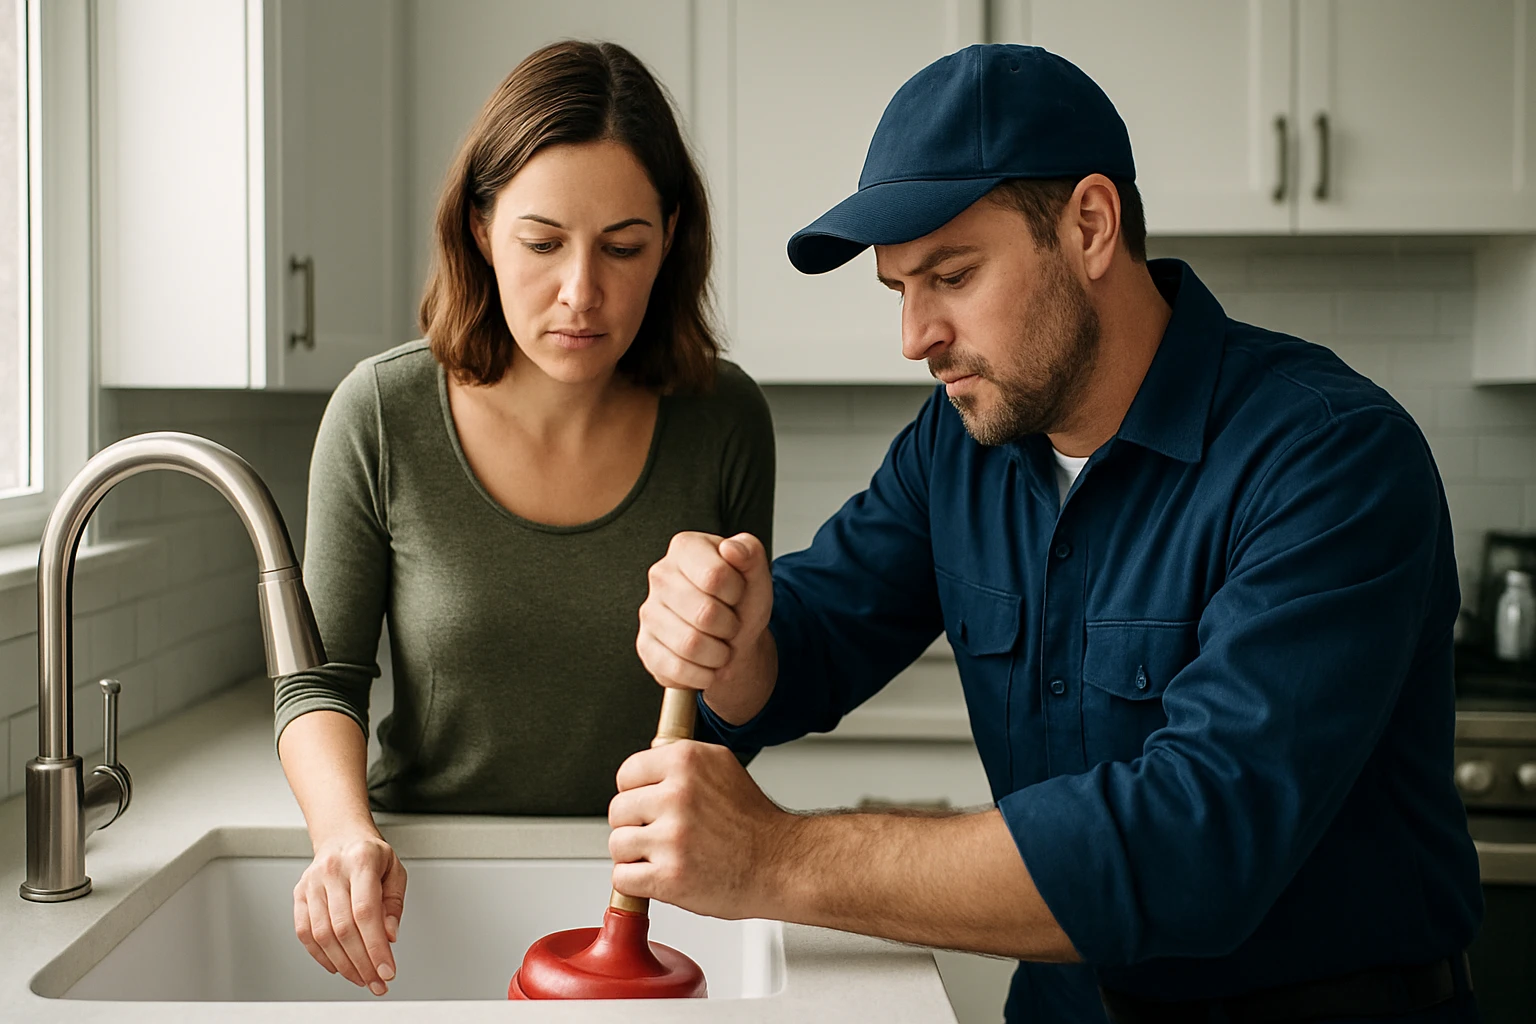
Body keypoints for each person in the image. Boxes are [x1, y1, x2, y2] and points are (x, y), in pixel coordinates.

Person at [617, 44, 1482, 1024]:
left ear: (1091, 226)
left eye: (951, 274)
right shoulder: (959, 445)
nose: (915, 336)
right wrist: (727, 635)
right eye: (899, 289)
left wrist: (774, 857)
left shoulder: (1331, 459)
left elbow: (1193, 846)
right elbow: (809, 642)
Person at [273, 40, 774, 998]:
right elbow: (319, 684)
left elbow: (736, 708)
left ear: (670, 237)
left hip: (645, 898)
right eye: (542, 244)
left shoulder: (726, 420)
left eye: (623, 247)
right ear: (480, 228)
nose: (581, 292)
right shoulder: (380, 416)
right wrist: (344, 837)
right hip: (433, 890)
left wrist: (743, 644)